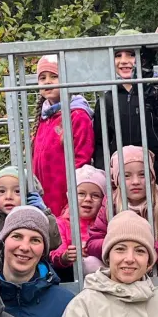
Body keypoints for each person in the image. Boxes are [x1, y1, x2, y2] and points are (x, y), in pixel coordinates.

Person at [31, 56, 97, 235]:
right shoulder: (44, 117)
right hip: (45, 196)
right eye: (42, 77)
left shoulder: (77, 115)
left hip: (66, 196)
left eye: (54, 76)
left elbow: (82, 159)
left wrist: (73, 196)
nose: (48, 81)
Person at [87, 146, 158, 274]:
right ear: (117, 180)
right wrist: (116, 248)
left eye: (142, 175)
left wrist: (150, 251)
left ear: (152, 177)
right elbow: (94, 241)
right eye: (126, 176)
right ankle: (115, 290)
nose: (135, 182)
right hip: (120, 265)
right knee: (89, 263)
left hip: (153, 264)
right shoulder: (111, 202)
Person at [91, 38, 158, 188]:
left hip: (156, 175)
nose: (124, 61)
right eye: (118, 55)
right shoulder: (106, 99)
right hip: (121, 178)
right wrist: (106, 171)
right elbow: (101, 142)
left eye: (131, 54)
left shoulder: (156, 93)